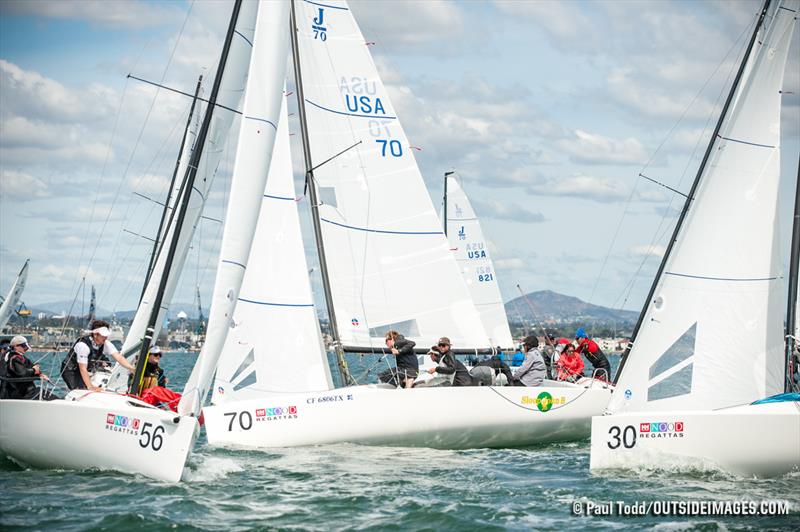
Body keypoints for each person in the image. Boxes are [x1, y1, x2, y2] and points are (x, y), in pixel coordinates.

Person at [61, 320, 135, 391]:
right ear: (95, 335)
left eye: (106, 336)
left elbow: (119, 357)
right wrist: (90, 387)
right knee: (80, 390)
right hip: (70, 370)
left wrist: (131, 368)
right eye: (103, 336)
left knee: (86, 388)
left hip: (83, 370)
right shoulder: (83, 346)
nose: (106, 338)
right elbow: (82, 369)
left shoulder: (106, 343)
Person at [1, 336, 51, 400]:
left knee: (44, 393)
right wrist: (34, 370)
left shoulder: (20, 357)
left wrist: (40, 374)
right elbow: (22, 372)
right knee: (44, 394)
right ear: (15, 346)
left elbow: (32, 366)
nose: (26, 348)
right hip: (18, 394)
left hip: (25, 392)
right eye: (23, 346)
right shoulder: (13, 358)